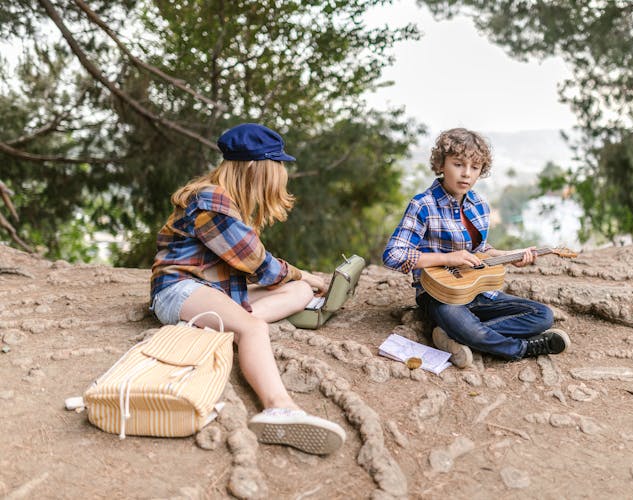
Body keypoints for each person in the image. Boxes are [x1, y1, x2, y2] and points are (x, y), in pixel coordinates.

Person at [150, 123, 345, 454]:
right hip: (180, 292)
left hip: (215, 292)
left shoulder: (226, 201)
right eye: (278, 164)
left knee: (301, 294)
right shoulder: (210, 200)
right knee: (255, 327)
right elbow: (259, 265)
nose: (281, 172)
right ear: (256, 166)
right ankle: (279, 407)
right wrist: (305, 275)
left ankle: (216, 330)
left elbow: (255, 265)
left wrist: (303, 282)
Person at [382, 127, 570, 368]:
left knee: (543, 315)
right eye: (458, 164)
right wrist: (448, 259)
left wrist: (510, 256)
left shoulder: (479, 205)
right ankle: (521, 348)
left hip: (478, 291)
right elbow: (392, 255)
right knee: (465, 324)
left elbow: (481, 250)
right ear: (441, 164)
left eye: (475, 167)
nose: (466, 174)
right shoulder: (423, 205)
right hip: (440, 296)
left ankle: (455, 337)